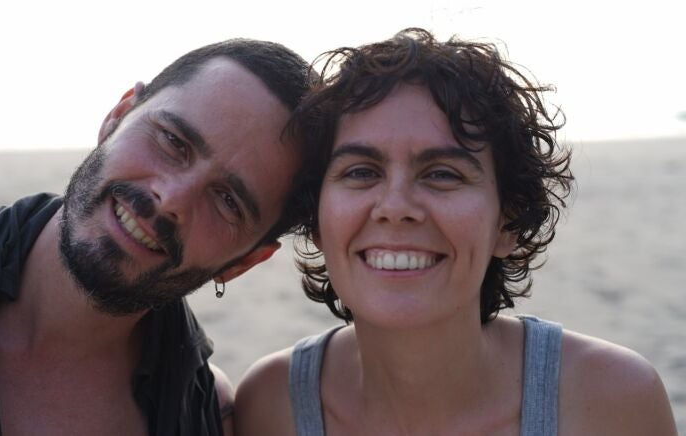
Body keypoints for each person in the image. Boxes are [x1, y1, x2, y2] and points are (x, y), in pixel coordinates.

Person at [0, 38, 317, 436]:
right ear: (118, 115)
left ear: (245, 261)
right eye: (173, 141)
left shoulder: (208, 413)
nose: (170, 198)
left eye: (228, 200)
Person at [235, 28, 677, 435]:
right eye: (361, 172)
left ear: (508, 222)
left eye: (442, 174)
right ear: (316, 220)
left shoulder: (609, 401)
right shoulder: (273, 405)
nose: (395, 208)